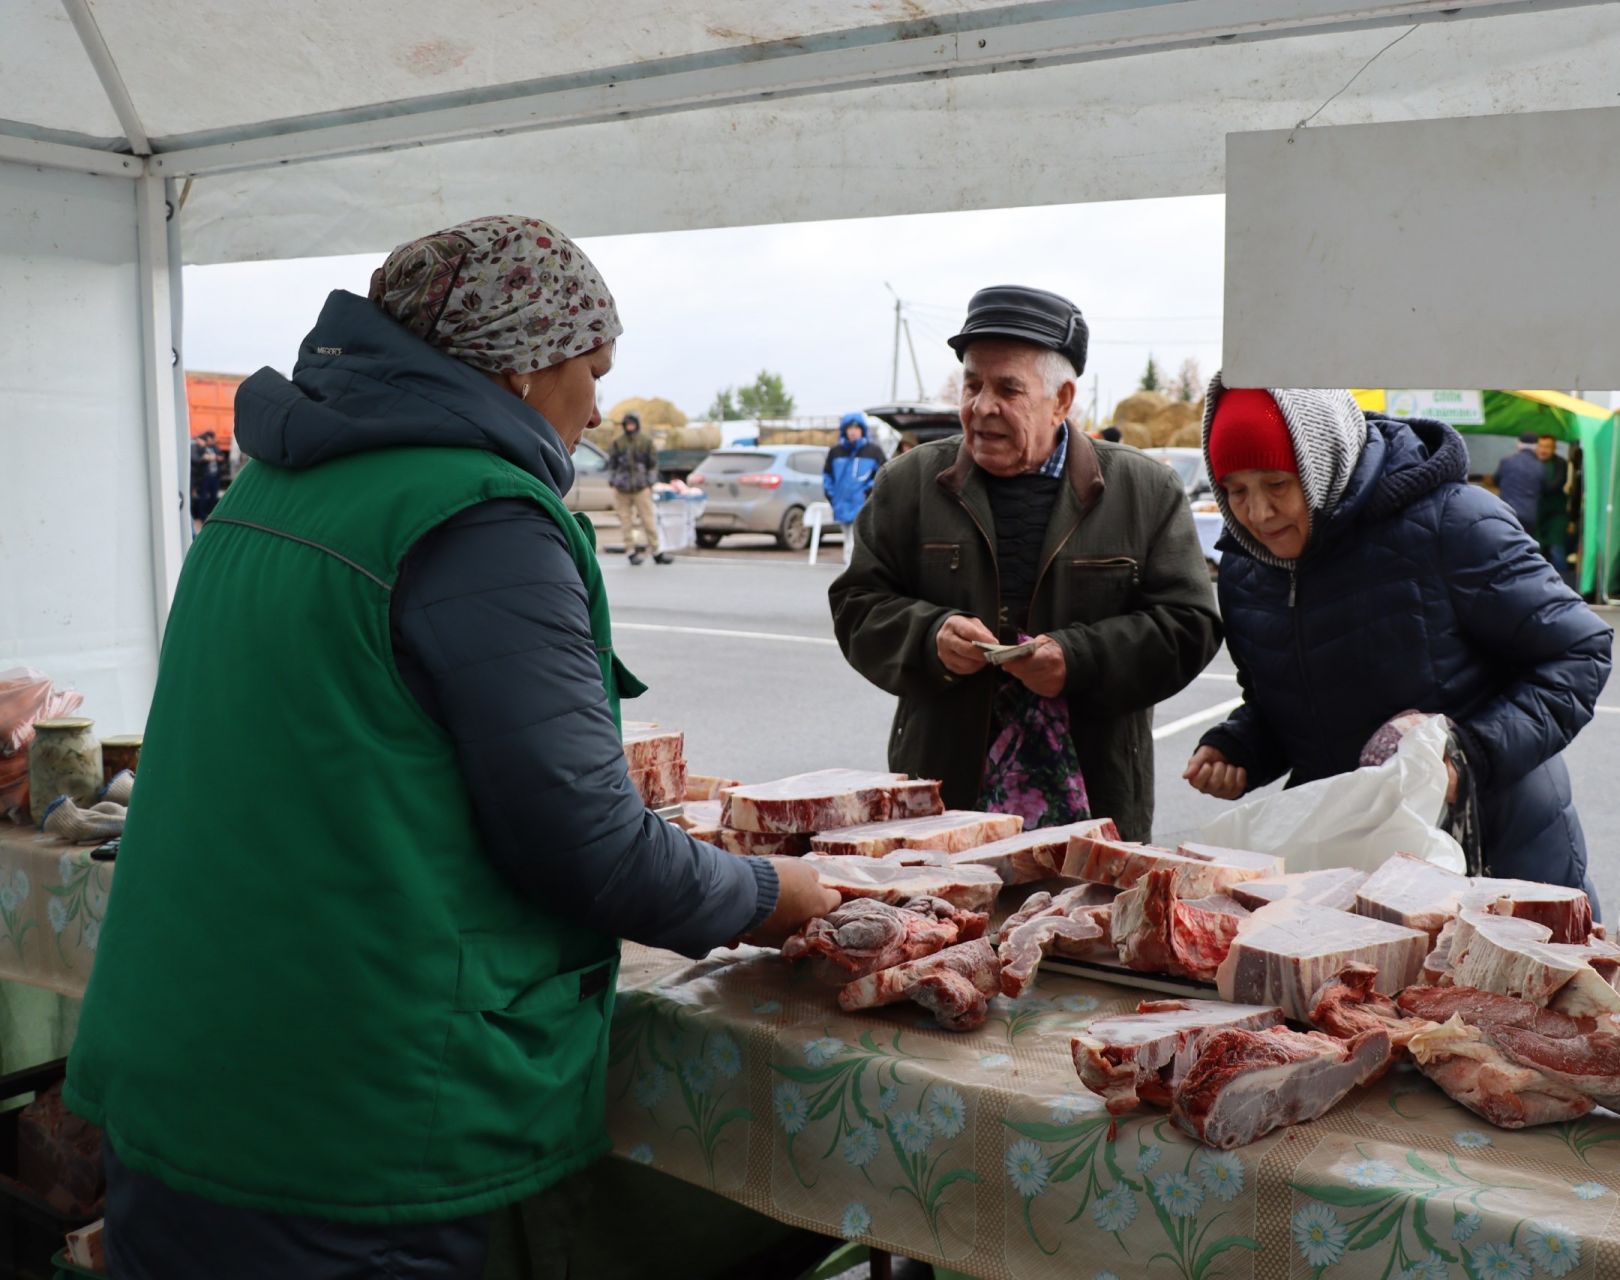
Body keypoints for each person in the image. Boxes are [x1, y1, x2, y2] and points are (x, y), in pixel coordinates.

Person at [63, 215, 838, 1279]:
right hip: (349, 1116)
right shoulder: (481, 517)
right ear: (522, 366)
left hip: (181, 1067)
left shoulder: (269, 485)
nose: (601, 406)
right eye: (592, 369)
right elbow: (589, 844)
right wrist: (776, 890)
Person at [1182, 381, 1612, 899]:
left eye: (1276, 484)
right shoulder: (1247, 568)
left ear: (1323, 462)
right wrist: (1241, 747)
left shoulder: (1452, 522)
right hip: (1351, 858)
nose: (1257, 513)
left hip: (1497, 851)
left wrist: (1470, 754)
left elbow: (1578, 652)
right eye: (1236, 490)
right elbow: (1283, 696)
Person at [829, 285, 1221, 841]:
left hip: (1094, 796)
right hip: (943, 795)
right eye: (972, 384)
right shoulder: (908, 485)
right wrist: (930, 637)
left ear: (1062, 399)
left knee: (1085, 925)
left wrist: (1078, 659)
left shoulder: (1145, 490)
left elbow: (1189, 625)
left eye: (1007, 388)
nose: (981, 406)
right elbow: (856, 606)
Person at [607, 411, 671, 565]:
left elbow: (653, 464)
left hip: (641, 487)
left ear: (637, 424)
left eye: (632, 424)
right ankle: (630, 551)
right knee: (626, 521)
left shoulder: (645, 441)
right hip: (622, 488)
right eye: (627, 424)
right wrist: (613, 481)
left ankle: (656, 551)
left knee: (648, 520)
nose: (630, 427)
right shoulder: (618, 442)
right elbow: (612, 464)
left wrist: (650, 482)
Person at [823, 411, 886, 561]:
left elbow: (883, 474)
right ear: (844, 430)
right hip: (842, 504)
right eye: (849, 428)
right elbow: (827, 476)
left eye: (856, 428)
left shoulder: (874, 451)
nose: (852, 431)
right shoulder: (835, 452)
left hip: (863, 505)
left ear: (862, 430)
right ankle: (851, 573)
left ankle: (853, 572)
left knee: (859, 541)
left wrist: (868, 492)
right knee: (848, 539)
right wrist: (832, 496)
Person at [1533, 432, 1573, 581]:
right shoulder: (1531, 462)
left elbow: (1556, 484)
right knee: (1537, 548)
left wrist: (1536, 487)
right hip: (1536, 513)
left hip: (1556, 514)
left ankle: (1563, 582)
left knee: (1557, 548)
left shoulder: (1560, 463)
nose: (1544, 450)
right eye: (1541, 446)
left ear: (1554, 448)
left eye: (1548, 447)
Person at [1492, 432, 1545, 536]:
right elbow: (1543, 488)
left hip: (1507, 512)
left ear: (1518, 444)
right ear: (1536, 447)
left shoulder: (1506, 462)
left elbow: (1496, 481)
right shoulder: (1540, 466)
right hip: (1529, 514)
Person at [188, 431, 223, 530]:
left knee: (213, 497)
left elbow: (220, 457)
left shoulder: (215, 448)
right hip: (204, 476)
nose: (212, 441)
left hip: (214, 476)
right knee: (202, 497)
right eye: (211, 439)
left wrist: (215, 457)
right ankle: (202, 517)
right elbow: (198, 459)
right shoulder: (199, 447)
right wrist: (207, 457)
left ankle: (211, 516)